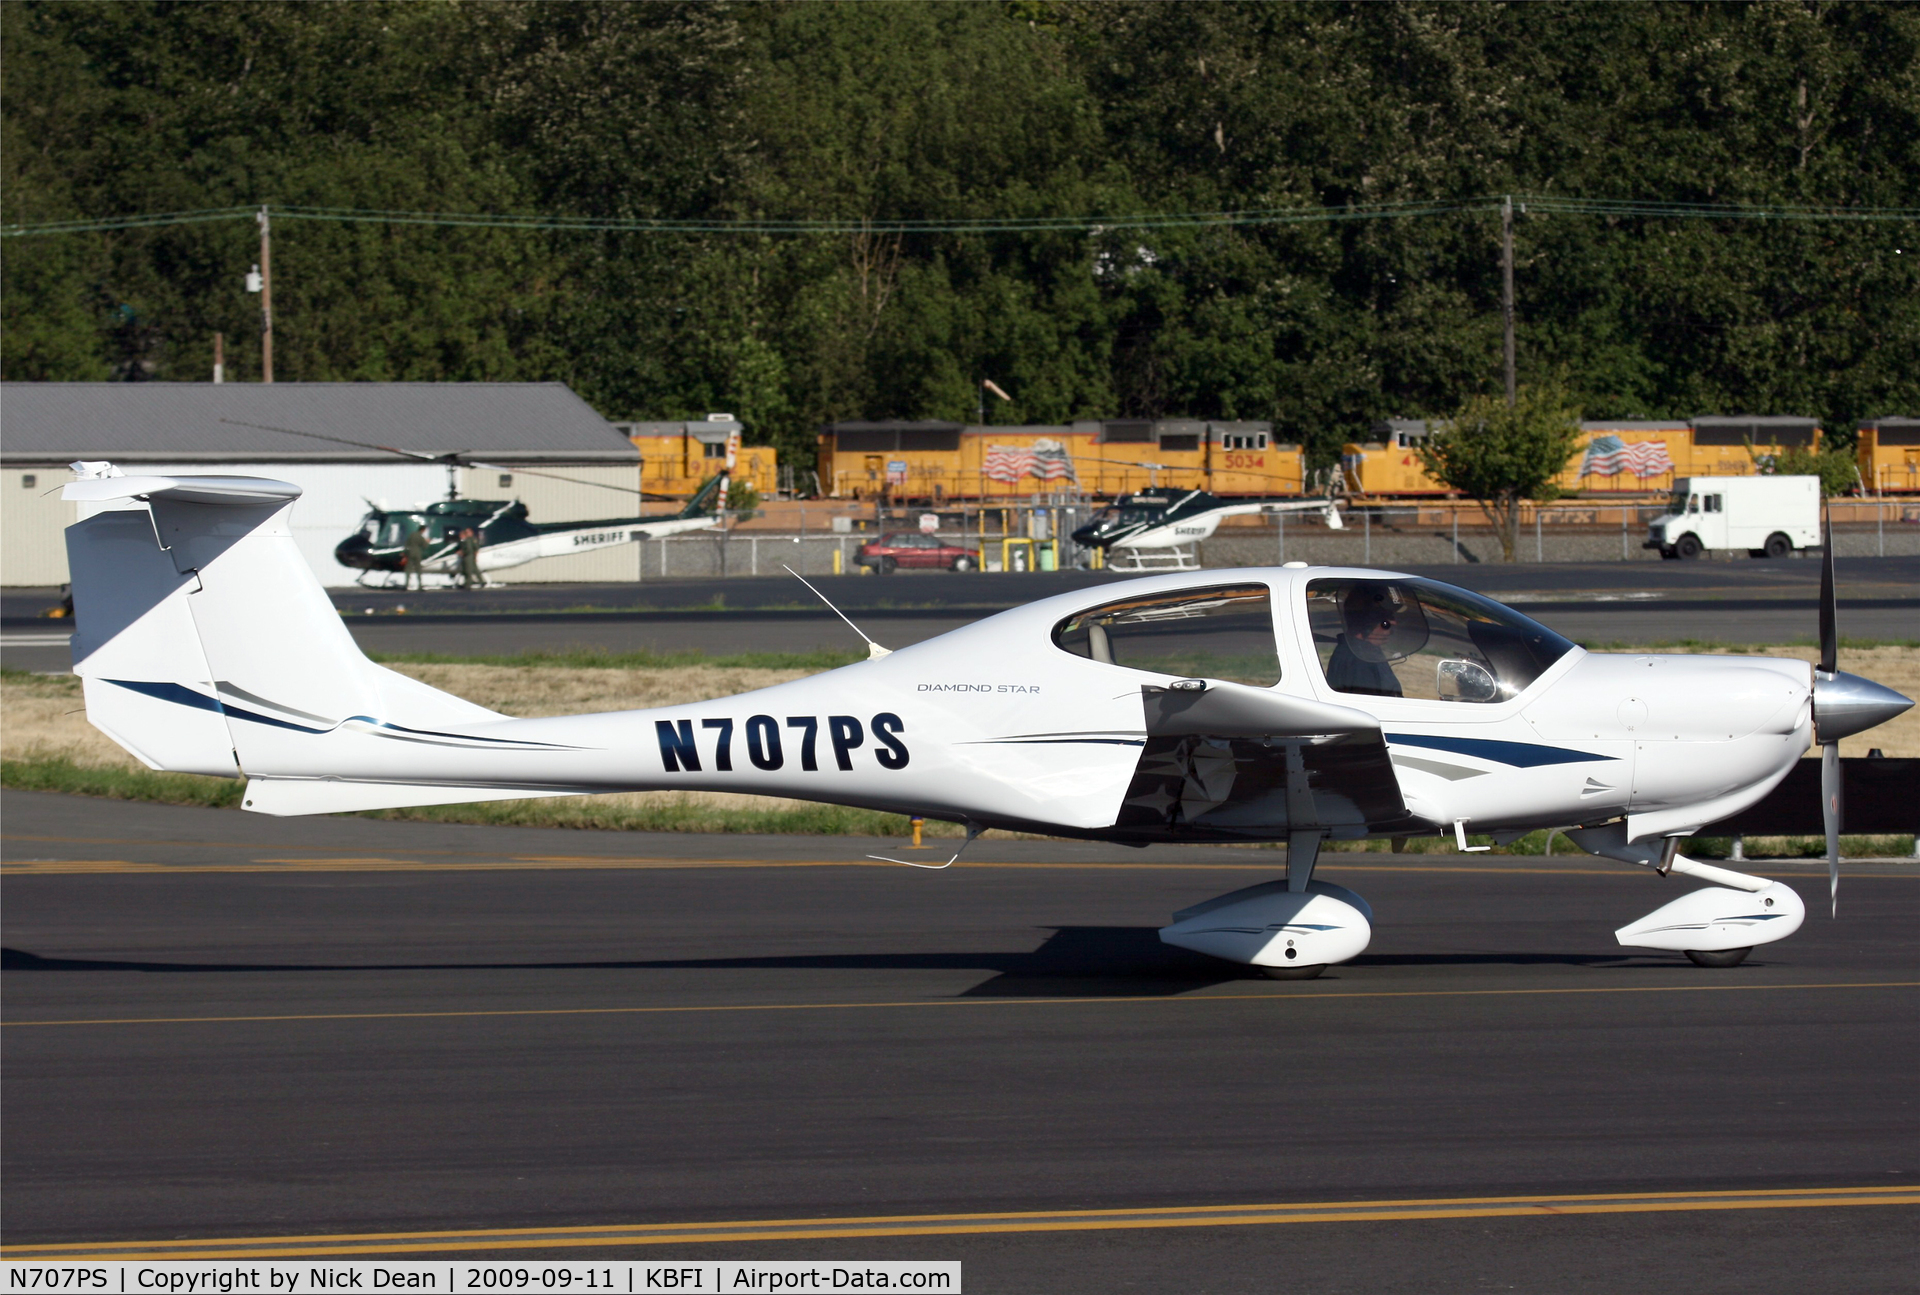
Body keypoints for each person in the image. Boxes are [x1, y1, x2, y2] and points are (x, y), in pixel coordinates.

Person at [1325, 584, 1406, 697]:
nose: (1394, 623)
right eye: (1387, 617)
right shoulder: (1360, 661)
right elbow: (1371, 706)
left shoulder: (1363, 652)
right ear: (1367, 622)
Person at [403, 523, 431, 592]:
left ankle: (406, 585)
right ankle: (420, 585)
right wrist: (428, 542)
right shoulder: (420, 537)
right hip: (417, 554)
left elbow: (406, 544)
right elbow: (425, 546)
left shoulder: (412, 535)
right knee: (418, 569)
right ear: (423, 530)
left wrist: (405, 553)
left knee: (408, 569)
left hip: (410, 553)